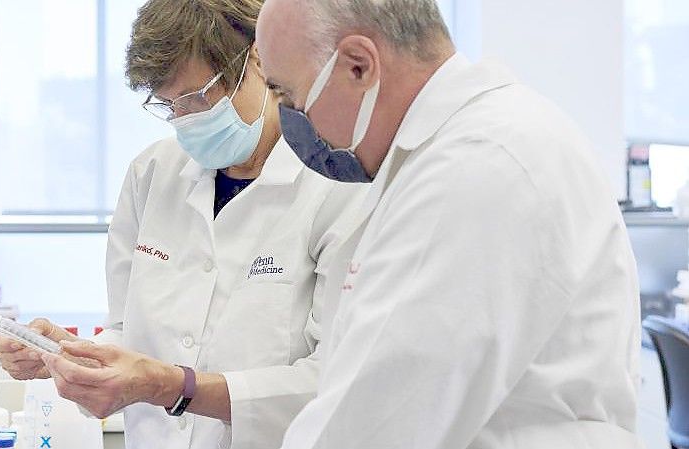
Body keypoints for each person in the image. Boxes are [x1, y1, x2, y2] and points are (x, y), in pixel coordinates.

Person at [255, 0, 644, 448]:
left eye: (287, 95)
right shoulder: (451, 152)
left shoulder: (478, 164)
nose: (289, 119)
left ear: (359, 66)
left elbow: (376, 423)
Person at [0, 1, 365, 448]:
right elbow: (129, 331)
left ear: (259, 60)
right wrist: (69, 355)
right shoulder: (152, 175)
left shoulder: (337, 186)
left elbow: (336, 377)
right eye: (169, 106)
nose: (188, 120)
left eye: (199, 97)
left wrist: (173, 387)